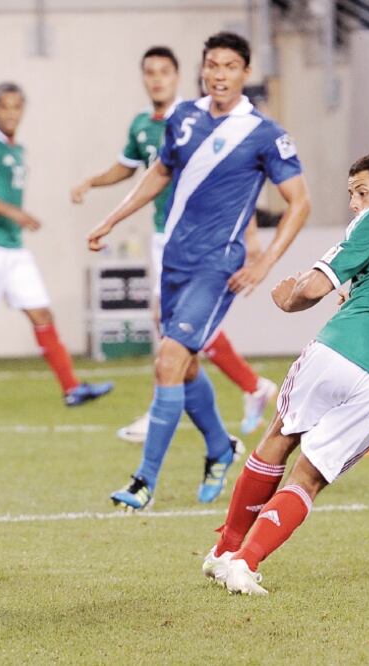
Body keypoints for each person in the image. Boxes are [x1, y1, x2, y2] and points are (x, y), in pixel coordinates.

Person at [202, 152, 369, 595]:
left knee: (280, 436)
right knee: (311, 477)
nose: (356, 204)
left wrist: (288, 299)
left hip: (344, 350)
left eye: (363, 192)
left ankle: (225, 549)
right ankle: (246, 563)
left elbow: (316, 287)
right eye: (351, 196)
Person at [87, 32, 310, 507]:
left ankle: (143, 482)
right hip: (175, 259)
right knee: (183, 368)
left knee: (168, 360)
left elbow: (300, 203)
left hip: (217, 265)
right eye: (212, 65)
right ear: (202, 69)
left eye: (230, 66)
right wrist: (111, 218)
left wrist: (265, 261)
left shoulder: (265, 134)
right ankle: (220, 447)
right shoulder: (184, 118)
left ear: (245, 73)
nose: (219, 74)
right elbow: (160, 174)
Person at [70, 45, 277, 442]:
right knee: (176, 323)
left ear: (179, 76)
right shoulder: (143, 124)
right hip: (164, 233)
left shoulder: (198, 117)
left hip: (199, 237)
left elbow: (235, 180)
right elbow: (129, 168)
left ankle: (167, 410)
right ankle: (251, 388)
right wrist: (92, 183)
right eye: (150, 72)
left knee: (173, 323)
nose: (157, 79)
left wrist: (249, 236)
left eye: (164, 71)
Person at [0, 82, 113, 411]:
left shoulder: (19, 150)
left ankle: (72, 388)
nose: (11, 113)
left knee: (41, 312)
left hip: (14, 247)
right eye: (5, 106)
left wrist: (17, 219)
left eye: (17, 107)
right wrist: (15, 212)